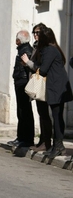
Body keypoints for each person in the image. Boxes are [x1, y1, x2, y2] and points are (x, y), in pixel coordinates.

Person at [34, 26, 72, 158]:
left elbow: (43, 70)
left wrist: (31, 65)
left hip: (57, 87)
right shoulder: (53, 49)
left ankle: (58, 145)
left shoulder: (50, 50)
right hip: (58, 86)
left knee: (56, 117)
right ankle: (57, 145)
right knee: (57, 116)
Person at [21, 23, 52, 152]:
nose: (35, 35)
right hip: (37, 83)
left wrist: (28, 62)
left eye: (38, 33)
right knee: (40, 112)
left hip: (44, 84)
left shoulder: (46, 48)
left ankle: (47, 141)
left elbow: (41, 67)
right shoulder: (36, 46)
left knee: (45, 114)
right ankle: (41, 140)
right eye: (34, 32)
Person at [7, 30, 35, 148]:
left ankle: (26, 139)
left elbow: (27, 68)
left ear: (19, 40)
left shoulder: (25, 51)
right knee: (21, 111)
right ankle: (21, 137)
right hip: (20, 82)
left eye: (16, 38)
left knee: (24, 111)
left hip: (23, 83)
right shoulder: (23, 49)